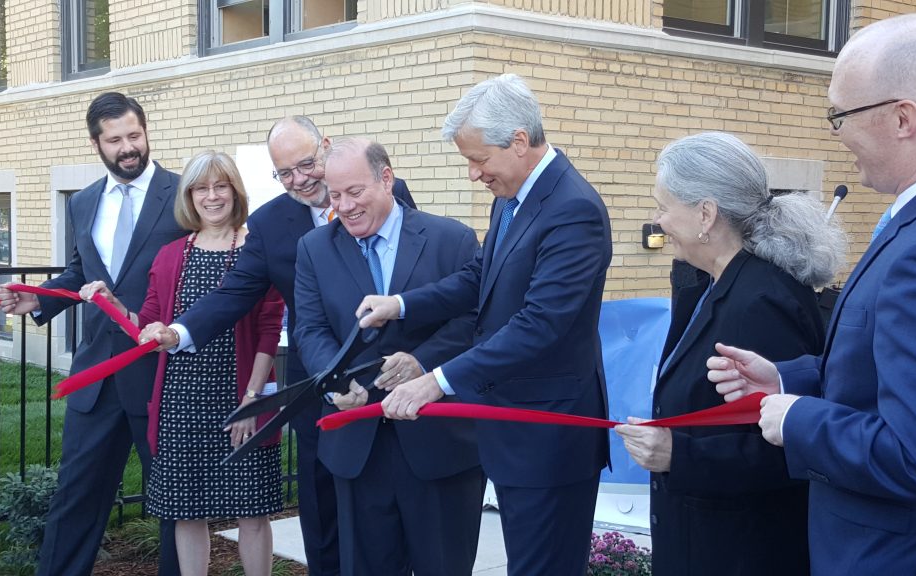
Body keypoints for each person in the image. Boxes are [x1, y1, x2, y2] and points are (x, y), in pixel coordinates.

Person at [706, 13, 916, 576]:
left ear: (904, 117)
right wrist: (790, 378)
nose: (836, 133)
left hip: (906, 553)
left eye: (839, 115)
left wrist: (798, 418)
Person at [357, 73, 612, 575]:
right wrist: (401, 304)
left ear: (519, 142)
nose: (474, 174)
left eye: (478, 159)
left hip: (550, 437)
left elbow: (539, 323)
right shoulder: (513, 196)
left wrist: (438, 379)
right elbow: (481, 277)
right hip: (513, 431)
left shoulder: (572, 209)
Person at [138, 115, 415, 576]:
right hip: (315, 384)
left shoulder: (385, 192)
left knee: (386, 508)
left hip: (388, 377)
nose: (299, 179)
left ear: (325, 148)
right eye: (284, 173)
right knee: (321, 509)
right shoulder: (270, 223)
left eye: (306, 164)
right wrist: (179, 332)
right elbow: (235, 294)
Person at [613, 132, 845, 576]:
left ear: (706, 214)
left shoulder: (761, 301)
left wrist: (677, 455)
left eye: (663, 207)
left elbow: (784, 446)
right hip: (704, 539)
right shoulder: (712, 282)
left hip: (742, 551)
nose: (657, 221)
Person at [0, 92, 182, 576]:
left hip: (163, 373)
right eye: (115, 139)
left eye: (135, 135)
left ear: (146, 131)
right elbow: (83, 273)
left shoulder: (184, 194)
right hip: (97, 374)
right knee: (74, 496)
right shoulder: (83, 202)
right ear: (96, 143)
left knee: (174, 505)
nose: (128, 148)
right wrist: (41, 298)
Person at [84, 151, 283, 575]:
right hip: (181, 400)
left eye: (220, 186)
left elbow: (269, 329)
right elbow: (150, 329)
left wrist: (252, 399)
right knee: (187, 510)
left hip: (240, 395)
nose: (211, 197)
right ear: (189, 197)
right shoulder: (171, 254)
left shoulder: (258, 249)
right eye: (200, 188)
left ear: (235, 190)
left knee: (252, 510)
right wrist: (114, 304)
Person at [295, 137, 483, 575]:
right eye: (334, 194)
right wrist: (336, 380)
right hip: (357, 449)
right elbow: (310, 328)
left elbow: (474, 319)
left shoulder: (450, 239)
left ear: (386, 178)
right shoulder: (314, 249)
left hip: (439, 446)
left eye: (354, 192)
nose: (343, 206)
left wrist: (422, 363)